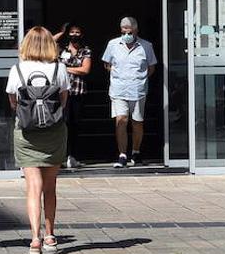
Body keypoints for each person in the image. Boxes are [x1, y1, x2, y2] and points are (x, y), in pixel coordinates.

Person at [8, 27, 71, 254]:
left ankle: (35, 240)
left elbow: (13, 101)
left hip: (26, 133)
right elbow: (63, 101)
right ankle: (50, 236)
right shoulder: (59, 68)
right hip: (54, 132)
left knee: (32, 188)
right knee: (50, 187)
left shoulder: (17, 69)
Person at [101, 16, 157, 168]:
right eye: (125, 31)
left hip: (138, 90)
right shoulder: (113, 44)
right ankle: (122, 154)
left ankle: (136, 151)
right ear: (121, 30)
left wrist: (140, 78)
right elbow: (107, 63)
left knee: (137, 122)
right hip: (118, 89)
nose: (127, 34)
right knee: (121, 120)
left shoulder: (146, 46)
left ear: (136, 30)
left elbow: (151, 67)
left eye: (130, 31)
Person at [55, 22, 92, 170]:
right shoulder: (61, 49)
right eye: (72, 32)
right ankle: (61, 156)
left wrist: (64, 68)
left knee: (75, 125)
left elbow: (85, 69)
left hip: (78, 93)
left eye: (77, 32)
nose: (75, 35)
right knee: (62, 125)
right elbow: (48, 41)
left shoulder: (85, 51)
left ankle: (73, 156)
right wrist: (61, 32)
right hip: (62, 93)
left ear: (81, 34)